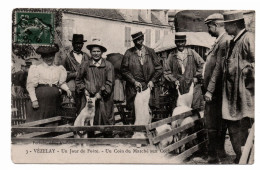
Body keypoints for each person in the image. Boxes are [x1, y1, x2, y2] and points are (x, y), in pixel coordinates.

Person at [222, 11, 254, 164]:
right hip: (231, 94)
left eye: (226, 25)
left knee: (247, 124)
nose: (224, 28)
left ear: (234, 24)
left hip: (245, 93)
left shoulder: (249, 38)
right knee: (233, 123)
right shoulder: (232, 41)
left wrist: (248, 72)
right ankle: (240, 157)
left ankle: (248, 158)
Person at [203, 13, 232, 163]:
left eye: (209, 26)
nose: (208, 30)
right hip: (215, 92)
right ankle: (218, 154)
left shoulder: (223, 42)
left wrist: (210, 90)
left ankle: (213, 156)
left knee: (213, 123)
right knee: (215, 123)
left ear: (216, 25)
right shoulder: (219, 42)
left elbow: (218, 69)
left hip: (216, 93)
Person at [120, 31, 163, 124]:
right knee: (135, 112)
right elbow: (124, 70)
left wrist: (152, 81)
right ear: (133, 41)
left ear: (143, 39)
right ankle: (137, 134)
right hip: (134, 88)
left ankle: (149, 133)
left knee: (149, 111)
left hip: (149, 87)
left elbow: (159, 69)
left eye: (140, 39)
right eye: (136, 40)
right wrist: (133, 81)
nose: (139, 41)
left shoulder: (150, 52)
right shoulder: (129, 53)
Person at [26, 45, 72, 122]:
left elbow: (61, 83)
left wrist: (67, 89)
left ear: (54, 56)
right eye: (46, 56)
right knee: (39, 119)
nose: (49, 58)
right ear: (42, 57)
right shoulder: (37, 68)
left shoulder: (59, 69)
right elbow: (30, 85)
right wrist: (34, 100)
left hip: (54, 100)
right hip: (41, 98)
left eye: (51, 56)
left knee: (53, 120)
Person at [75, 38, 115, 127]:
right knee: (88, 122)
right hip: (88, 98)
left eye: (98, 51)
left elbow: (110, 82)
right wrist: (83, 89)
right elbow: (78, 80)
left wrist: (101, 93)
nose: (96, 53)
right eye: (94, 51)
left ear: (102, 52)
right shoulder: (85, 65)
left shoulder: (108, 65)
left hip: (104, 98)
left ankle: (107, 139)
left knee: (105, 121)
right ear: (90, 52)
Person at [164, 33, 205, 109]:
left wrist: (197, 76)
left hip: (192, 85)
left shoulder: (192, 53)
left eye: (182, 42)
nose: (180, 44)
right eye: (178, 42)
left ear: (185, 42)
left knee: (194, 108)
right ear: (175, 43)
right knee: (180, 108)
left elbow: (202, 65)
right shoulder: (172, 55)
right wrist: (174, 80)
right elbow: (167, 72)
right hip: (179, 87)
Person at [63, 34, 91, 116]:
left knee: (84, 109)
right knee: (72, 110)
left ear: (83, 44)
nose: (78, 45)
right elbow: (62, 74)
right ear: (73, 44)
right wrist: (73, 74)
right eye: (76, 43)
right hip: (72, 87)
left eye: (80, 44)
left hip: (84, 86)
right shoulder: (67, 57)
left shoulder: (87, 57)